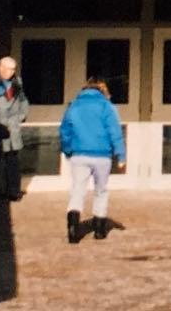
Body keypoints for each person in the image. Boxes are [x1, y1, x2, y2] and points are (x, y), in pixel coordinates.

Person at [59, 77, 126, 243]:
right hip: (102, 155)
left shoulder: (74, 105)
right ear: (102, 91)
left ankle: (73, 229)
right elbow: (114, 132)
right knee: (101, 190)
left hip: (79, 154)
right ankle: (99, 229)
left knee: (77, 190)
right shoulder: (106, 107)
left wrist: (67, 150)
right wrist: (121, 154)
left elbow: (65, 130)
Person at [0, 55, 29, 201]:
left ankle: (13, 191)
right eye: (9, 69)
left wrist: (22, 116)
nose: (11, 72)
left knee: (13, 161)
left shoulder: (17, 82)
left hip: (13, 127)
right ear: (0, 68)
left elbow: (23, 101)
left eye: (13, 69)